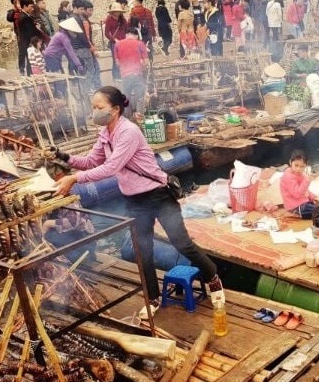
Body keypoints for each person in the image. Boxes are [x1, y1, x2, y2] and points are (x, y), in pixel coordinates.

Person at [51, 86, 226, 319]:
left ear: (115, 109)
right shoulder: (105, 134)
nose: (94, 112)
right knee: (143, 249)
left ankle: (213, 278)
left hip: (158, 194)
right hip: (135, 200)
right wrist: (65, 157)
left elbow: (112, 167)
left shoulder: (128, 132)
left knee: (181, 243)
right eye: (93, 108)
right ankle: (153, 297)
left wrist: (74, 178)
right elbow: (93, 160)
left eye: (99, 108)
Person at [113, 27, 149, 113]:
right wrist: (142, 67)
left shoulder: (117, 45)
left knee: (126, 98)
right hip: (137, 74)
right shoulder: (140, 44)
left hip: (125, 75)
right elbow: (146, 62)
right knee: (140, 98)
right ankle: (139, 118)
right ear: (136, 35)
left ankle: (127, 119)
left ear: (126, 34)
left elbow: (117, 63)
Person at [280, 150, 315, 218]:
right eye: (296, 165)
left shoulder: (301, 174)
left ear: (306, 166)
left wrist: (313, 196)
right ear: (290, 162)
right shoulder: (288, 177)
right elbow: (297, 194)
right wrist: (307, 180)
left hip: (303, 203)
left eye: (302, 166)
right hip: (295, 207)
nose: (298, 169)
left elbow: (305, 190)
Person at [103, 3, 128, 79]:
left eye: (119, 11)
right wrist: (114, 40)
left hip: (123, 42)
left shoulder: (123, 20)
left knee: (124, 60)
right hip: (115, 43)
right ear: (113, 11)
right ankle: (116, 78)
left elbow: (126, 30)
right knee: (115, 61)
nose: (118, 12)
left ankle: (123, 75)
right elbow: (106, 33)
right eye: (116, 11)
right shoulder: (109, 20)